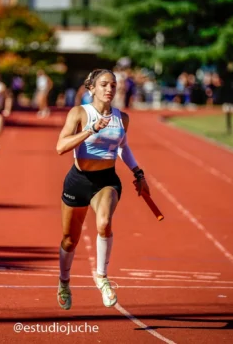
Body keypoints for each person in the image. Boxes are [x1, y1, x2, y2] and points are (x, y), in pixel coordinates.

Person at [55, 68, 150, 310]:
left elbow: (123, 147)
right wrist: (91, 130)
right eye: (104, 84)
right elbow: (60, 147)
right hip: (78, 181)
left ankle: (102, 278)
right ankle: (64, 282)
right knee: (69, 240)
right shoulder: (79, 113)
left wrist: (138, 173)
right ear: (92, 88)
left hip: (106, 180)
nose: (110, 89)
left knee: (104, 223)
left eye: (113, 85)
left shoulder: (122, 118)